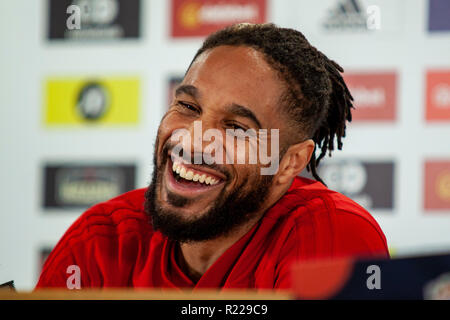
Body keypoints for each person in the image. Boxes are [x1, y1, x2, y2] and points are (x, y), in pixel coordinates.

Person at [36, 23, 389, 290]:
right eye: (188, 106)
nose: (193, 140)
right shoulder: (102, 238)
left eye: (236, 128)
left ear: (289, 163)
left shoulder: (331, 231)